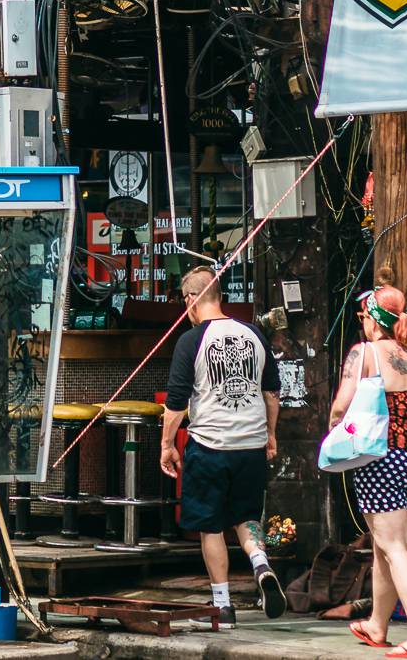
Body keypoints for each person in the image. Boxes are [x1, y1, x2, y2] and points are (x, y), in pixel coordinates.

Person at [160, 265, 287, 626]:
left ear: (191, 300)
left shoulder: (191, 340)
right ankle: (261, 566)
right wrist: (271, 434)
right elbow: (272, 393)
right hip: (251, 445)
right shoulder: (254, 334)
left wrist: (167, 445)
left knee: (211, 527)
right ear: (220, 297)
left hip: (210, 445)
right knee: (247, 517)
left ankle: (223, 606)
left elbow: (176, 402)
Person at [331, 285, 407, 659]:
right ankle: (378, 625)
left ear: (373, 319)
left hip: (384, 460)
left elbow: (340, 407)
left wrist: (336, 435)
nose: (362, 324)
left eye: (363, 316)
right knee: (385, 546)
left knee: (396, 547)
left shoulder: (364, 353)